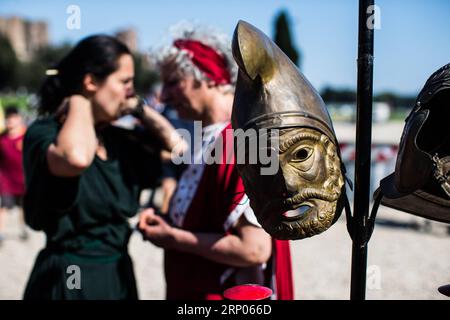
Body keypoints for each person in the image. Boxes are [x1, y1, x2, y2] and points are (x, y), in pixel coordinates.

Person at [22, 34, 185, 300]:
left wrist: (140, 110)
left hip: (117, 274)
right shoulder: (45, 133)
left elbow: (177, 149)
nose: (130, 91)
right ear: (90, 82)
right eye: (124, 82)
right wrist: (79, 101)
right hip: (66, 278)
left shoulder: (118, 139)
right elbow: (76, 158)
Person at [138, 24, 294, 300]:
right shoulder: (211, 139)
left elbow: (253, 249)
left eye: (174, 82)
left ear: (208, 77)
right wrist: (166, 223)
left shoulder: (238, 143)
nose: (165, 95)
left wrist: (172, 237)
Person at [0, 106, 28, 245]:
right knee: (3, 207)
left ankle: (23, 229)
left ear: (18, 119)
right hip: (6, 180)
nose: (10, 121)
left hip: (23, 180)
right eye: (7, 119)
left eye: (12, 118)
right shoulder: (2, 138)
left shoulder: (27, 136)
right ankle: (1, 233)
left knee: (23, 208)